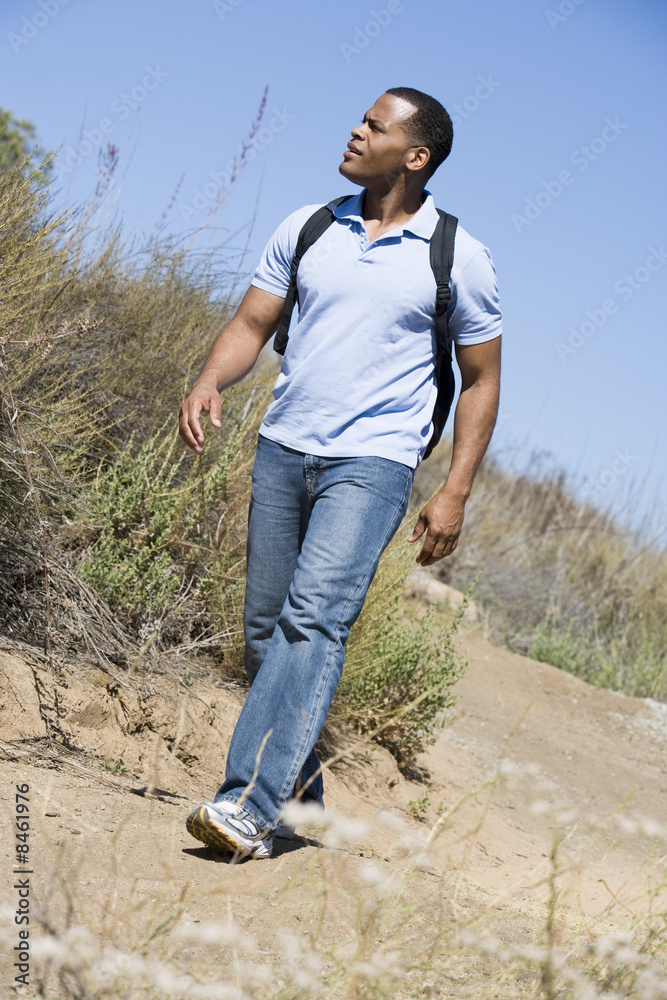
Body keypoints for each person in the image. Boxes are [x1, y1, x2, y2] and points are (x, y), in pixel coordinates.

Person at [179, 87, 502, 859]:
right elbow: (252, 323)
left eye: (373, 126)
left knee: (312, 621)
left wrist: (453, 489)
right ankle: (303, 806)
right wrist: (208, 380)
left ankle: (247, 806)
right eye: (358, 120)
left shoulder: (457, 256)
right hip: (284, 446)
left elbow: (482, 379)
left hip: (375, 461)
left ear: (414, 155)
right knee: (265, 633)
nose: (354, 132)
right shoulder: (311, 225)